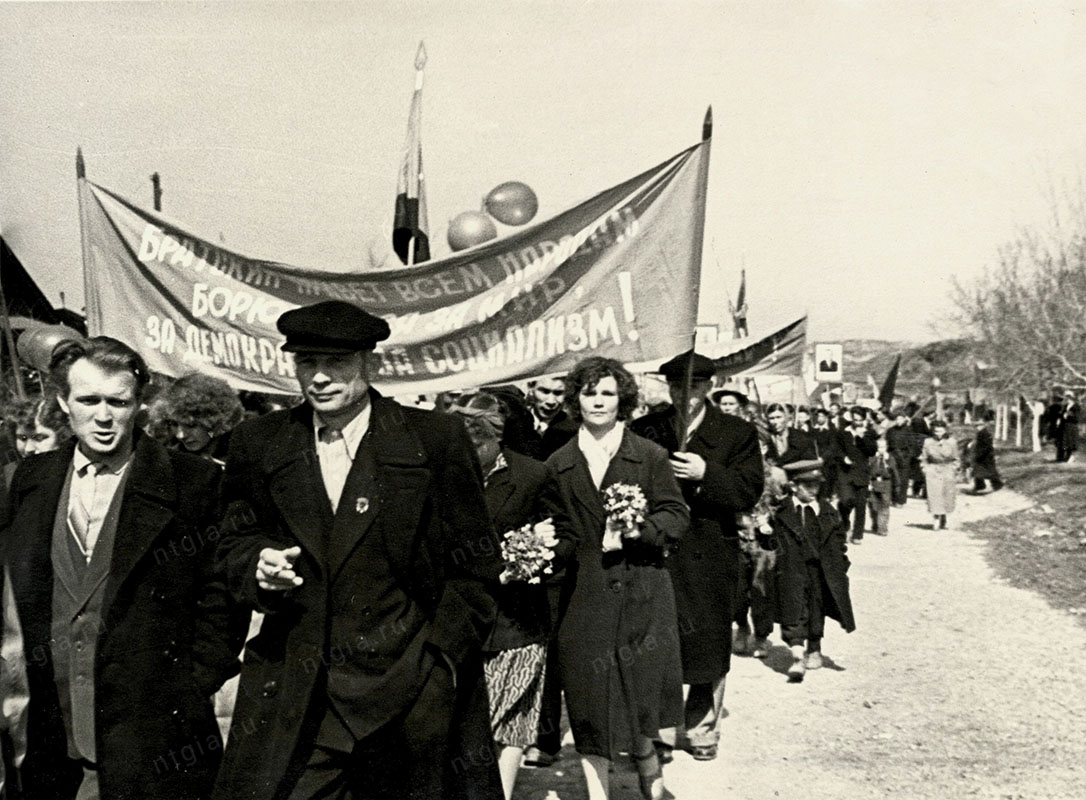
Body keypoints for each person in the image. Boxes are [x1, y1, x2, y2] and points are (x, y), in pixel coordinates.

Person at [211, 300, 504, 800]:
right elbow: (231, 542)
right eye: (307, 363)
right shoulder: (258, 443)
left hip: (409, 697)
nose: (320, 378)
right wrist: (257, 564)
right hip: (299, 695)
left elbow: (475, 565)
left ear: (370, 362)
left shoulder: (432, 440)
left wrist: (440, 665)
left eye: (336, 363)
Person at [2, 336, 241, 800]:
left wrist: (189, 687)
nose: (105, 416)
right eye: (89, 400)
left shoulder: (195, 482)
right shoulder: (30, 480)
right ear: (62, 402)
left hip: (151, 735)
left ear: (141, 405)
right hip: (50, 732)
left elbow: (222, 600)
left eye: (119, 401)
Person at [541, 356, 688, 800]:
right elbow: (554, 525)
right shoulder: (558, 462)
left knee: (640, 695)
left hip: (642, 592)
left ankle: (650, 774)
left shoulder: (648, 455)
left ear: (622, 399)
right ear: (576, 400)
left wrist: (639, 530)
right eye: (589, 393)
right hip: (583, 600)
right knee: (587, 701)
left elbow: (676, 515)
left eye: (607, 392)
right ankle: (598, 791)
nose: (598, 401)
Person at [630, 351, 763, 762]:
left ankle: (703, 727)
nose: (682, 396)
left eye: (692, 388)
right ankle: (660, 731)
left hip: (708, 551)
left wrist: (708, 475)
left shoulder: (736, 433)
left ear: (707, 388)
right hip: (657, 551)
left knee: (706, 643)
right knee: (655, 640)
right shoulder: (645, 429)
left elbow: (748, 490)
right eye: (674, 388)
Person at [448, 392, 572, 800]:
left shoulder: (533, 475)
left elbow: (567, 537)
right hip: (458, 621)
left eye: (479, 444)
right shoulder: (442, 474)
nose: (470, 453)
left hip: (516, 621)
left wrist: (536, 555)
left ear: (498, 439)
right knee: (466, 723)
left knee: (512, 722)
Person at [769, 460, 855, 682]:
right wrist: (765, 531)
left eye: (817, 485)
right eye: (808, 486)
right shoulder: (782, 511)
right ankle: (797, 653)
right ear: (794, 486)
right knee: (794, 606)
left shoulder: (827, 511)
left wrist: (841, 564)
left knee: (817, 606)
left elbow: (839, 540)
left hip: (821, 569)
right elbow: (770, 541)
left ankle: (814, 646)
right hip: (792, 568)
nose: (814, 491)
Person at [148, 372, 245, 464]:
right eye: (174, 424)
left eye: (190, 425)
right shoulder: (170, 459)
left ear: (214, 422)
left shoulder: (241, 455)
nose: (180, 435)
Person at [835, 407, 878, 544]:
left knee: (860, 505)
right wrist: (843, 458)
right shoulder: (843, 433)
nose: (857, 422)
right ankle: (845, 525)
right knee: (845, 501)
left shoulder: (869, 433)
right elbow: (836, 450)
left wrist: (861, 437)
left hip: (861, 473)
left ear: (864, 419)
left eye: (860, 420)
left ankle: (857, 535)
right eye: (855, 419)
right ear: (851, 418)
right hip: (845, 473)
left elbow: (872, 451)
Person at [527, 375, 578, 460]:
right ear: (531, 389)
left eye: (558, 393)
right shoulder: (513, 423)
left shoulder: (574, 432)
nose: (551, 401)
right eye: (545, 391)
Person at [921, 418, 959, 530]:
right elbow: (923, 458)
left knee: (947, 495)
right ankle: (936, 518)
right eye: (936, 431)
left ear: (945, 430)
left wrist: (954, 469)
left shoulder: (952, 442)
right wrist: (925, 469)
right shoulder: (928, 442)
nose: (938, 434)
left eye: (941, 431)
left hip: (947, 470)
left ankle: (944, 516)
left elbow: (956, 458)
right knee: (934, 495)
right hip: (933, 470)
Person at [764, 402, 816, 468]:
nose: (775, 422)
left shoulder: (799, 437)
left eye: (779, 417)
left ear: (786, 417)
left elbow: (810, 461)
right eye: (772, 418)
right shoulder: (766, 438)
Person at [867, 437, 898, 535]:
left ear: (886, 447)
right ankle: (875, 523)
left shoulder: (889, 458)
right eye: (879, 447)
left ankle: (883, 528)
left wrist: (897, 485)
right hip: (874, 483)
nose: (881, 449)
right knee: (873, 505)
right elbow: (868, 471)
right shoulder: (872, 458)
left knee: (885, 505)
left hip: (885, 484)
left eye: (883, 447)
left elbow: (894, 472)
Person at [885, 412, 912, 507]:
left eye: (900, 419)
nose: (898, 421)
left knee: (903, 479)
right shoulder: (890, 431)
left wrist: (908, 456)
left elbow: (912, 445)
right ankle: (893, 499)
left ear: (904, 419)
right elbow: (887, 444)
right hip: (893, 456)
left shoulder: (909, 430)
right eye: (897, 419)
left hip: (905, 456)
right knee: (892, 477)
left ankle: (900, 500)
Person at [971, 419, 1003, 493]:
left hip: (984, 455)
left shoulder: (983, 433)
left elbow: (985, 446)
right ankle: (981, 485)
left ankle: (994, 484)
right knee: (983, 471)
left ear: (982, 426)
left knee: (984, 471)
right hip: (986, 455)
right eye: (976, 426)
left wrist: (980, 454)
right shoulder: (983, 433)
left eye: (978, 426)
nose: (977, 427)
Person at [1054, 392, 1079, 463]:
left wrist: (1068, 416)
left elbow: (1076, 419)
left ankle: (1070, 457)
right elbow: (1061, 415)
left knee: (1070, 443)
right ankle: (1062, 458)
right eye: (1066, 398)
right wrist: (1060, 419)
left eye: (1068, 398)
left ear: (1072, 398)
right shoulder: (1065, 406)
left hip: (1071, 427)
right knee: (1064, 442)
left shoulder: (1076, 407)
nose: (1067, 399)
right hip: (1064, 427)